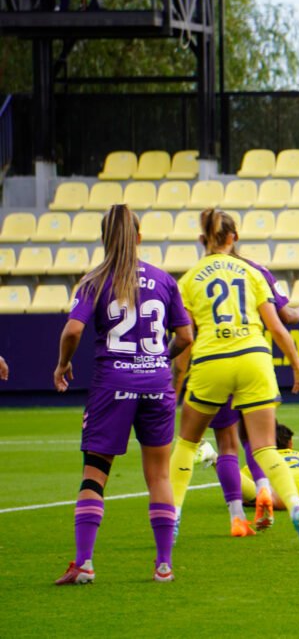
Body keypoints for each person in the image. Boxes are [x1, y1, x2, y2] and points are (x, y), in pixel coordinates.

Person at [53, 205, 193, 585]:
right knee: (159, 476)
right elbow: (186, 337)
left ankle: (84, 563)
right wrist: (158, 359)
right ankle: (163, 565)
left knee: (94, 475)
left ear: (104, 239)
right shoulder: (164, 280)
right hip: (156, 386)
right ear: (139, 236)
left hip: (112, 385)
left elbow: (72, 332)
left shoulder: (94, 282)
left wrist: (63, 364)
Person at [167, 209, 299, 550]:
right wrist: (298, 366)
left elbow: (186, 338)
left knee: (189, 444)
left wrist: (176, 385)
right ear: (233, 237)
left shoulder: (189, 279)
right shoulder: (252, 272)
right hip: (254, 358)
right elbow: (278, 326)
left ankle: (172, 516)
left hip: (212, 361)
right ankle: (295, 506)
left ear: (202, 239)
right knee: (265, 447)